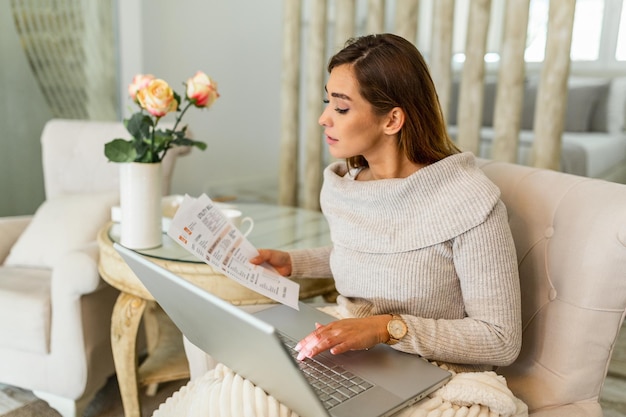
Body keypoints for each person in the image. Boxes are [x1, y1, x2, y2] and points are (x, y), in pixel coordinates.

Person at [250, 33, 522, 373]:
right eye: (327, 102)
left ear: (392, 120)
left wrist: (385, 328)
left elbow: (501, 340)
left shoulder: (468, 203)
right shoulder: (345, 187)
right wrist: (295, 262)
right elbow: (380, 253)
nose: (324, 118)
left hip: (434, 369)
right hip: (350, 352)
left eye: (342, 107)